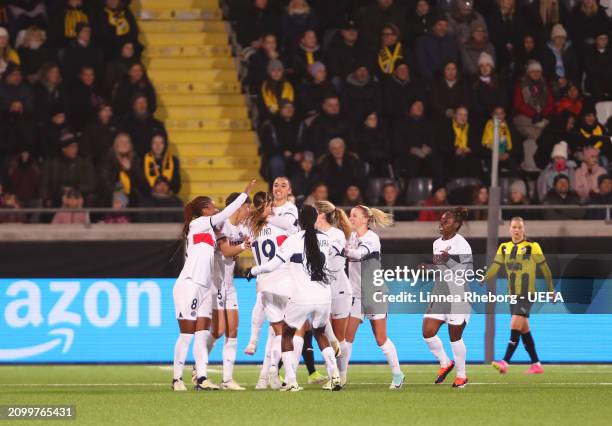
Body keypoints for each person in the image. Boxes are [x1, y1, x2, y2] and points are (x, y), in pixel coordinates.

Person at [171, 180, 256, 391]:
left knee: (201, 334)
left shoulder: (212, 231)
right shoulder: (198, 223)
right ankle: (176, 379)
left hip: (205, 287)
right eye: (211, 206)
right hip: (189, 283)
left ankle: (201, 378)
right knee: (187, 334)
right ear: (203, 210)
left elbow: (225, 238)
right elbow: (225, 214)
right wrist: (243, 196)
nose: (215, 209)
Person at [249, 205, 342, 392]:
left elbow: (273, 265)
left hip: (301, 296)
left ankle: (291, 381)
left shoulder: (293, 240)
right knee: (320, 333)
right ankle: (335, 377)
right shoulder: (326, 239)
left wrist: (252, 271)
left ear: (299, 220)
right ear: (316, 219)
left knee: (286, 334)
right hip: (324, 296)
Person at [482, 217, 554, 375]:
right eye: (514, 227)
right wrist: (484, 278)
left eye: (519, 227)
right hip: (512, 295)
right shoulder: (504, 248)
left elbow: (546, 270)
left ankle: (505, 362)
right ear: (509, 229)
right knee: (524, 329)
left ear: (523, 229)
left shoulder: (532, 247)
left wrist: (551, 290)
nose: (516, 230)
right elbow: (495, 266)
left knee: (515, 324)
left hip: (527, 293)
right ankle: (536, 364)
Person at [343, 204, 404, 389]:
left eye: (354, 215)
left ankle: (398, 374)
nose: (350, 218)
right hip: (356, 295)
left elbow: (359, 254)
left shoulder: (372, 239)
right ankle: (341, 377)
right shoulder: (351, 236)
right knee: (347, 338)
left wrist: (340, 249)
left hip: (374, 294)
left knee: (380, 339)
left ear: (365, 219)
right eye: (350, 215)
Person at [205, 192, 252, 390]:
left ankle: (227, 379)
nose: (248, 211)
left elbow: (233, 253)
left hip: (229, 285)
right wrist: (242, 246)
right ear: (238, 207)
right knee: (218, 330)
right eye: (246, 207)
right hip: (215, 284)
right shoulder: (221, 225)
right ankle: (199, 368)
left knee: (233, 330)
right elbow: (225, 251)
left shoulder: (240, 229)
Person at [421, 207, 472, 388]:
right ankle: (445, 362)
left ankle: (461, 376)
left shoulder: (462, 244)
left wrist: (448, 260)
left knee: (455, 337)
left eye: (446, 221)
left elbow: (465, 272)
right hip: (440, 293)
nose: (441, 224)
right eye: (441, 220)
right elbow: (439, 267)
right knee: (427, 332)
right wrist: (428, 267)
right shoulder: (436, 243)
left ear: (457, 224)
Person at [313, 200, 352, 388]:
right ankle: (333, 374)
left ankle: (341, 375)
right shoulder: (311, 235)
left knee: (339, 336)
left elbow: (333, 253)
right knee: (322, 330)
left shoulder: (336, 234)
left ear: (320, 215)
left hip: (339, 287)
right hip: (321, 286)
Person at [512, 60, 555, 171]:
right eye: (533, 72)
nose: (536, 74)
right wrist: (533, 114)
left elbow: (550, 103)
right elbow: (518, 104)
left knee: (543, 132)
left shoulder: (545, 86)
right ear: (528, 73)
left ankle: (539, 163)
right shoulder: (521, 85)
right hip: (523, 117)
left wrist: (542, 114)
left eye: (538, 72)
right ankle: (529, 163)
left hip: (541, 117)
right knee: (535, 133)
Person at [40, 132, 96, 207]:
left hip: (80, 199)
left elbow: (91, 184)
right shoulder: (52, 163)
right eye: (71, 147)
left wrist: (75, 188)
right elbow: (45, 183)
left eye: (76, 146)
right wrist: (47, 198)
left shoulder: (84, 162)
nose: (75, 149)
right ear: (64, 149)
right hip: (57, 199)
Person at [392, 99, 438, 183]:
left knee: (436, 162)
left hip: (426, 156)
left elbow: (434, 142)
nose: (419, 108)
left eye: (421, 105)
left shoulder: (429, 124)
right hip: (407, 157)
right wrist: (411, 149)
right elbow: (396, 144)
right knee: (413, 163)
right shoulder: (401, 123)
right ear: (410, 107)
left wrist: (429, 149)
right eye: (416, 105)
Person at [97, 132, 147, 207]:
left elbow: (141, 183)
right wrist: (117, 192)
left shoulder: (135, 159)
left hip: (132, 196)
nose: (124, 144)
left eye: (127, 142)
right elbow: (105, 181)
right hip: (112, 195)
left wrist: (130, 170)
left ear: (130, 146)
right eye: (121, 142)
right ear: (115, 145)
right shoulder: (108, 158)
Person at [438, 106, 481, 180]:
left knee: (475, 163)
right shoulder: (446, 127)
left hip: (469, 157)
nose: (463, 117)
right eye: (460, 114)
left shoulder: (473, 128)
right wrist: (455, 150)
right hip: (451, 157)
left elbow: (478, 146)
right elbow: (441, 146)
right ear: (454, 115)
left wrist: (470, 149)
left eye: (465, 115)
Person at [317, 138, 364, 204]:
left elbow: (359, 178)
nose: (337, 150)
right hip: (332, 195)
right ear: (330, 150)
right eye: (334, 148)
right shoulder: (325, 162)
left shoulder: (353, 160)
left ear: (344, 148)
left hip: (350, 194)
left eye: (340, 147)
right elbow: (324, 180)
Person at [415, 15, 459, 82]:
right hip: (430, 80)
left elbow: (454, 61)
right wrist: (434, 79)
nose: (443, 28)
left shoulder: (451, 41)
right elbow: (422, 64)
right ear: (433, 27)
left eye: (445, 25)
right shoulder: (423, 41)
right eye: (440, 25)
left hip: (448, 80)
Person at [541, 24, 578, 98]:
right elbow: (546, 70)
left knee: (574, 89)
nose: (561, 39)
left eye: (563, 37)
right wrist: (558, 79)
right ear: (553, 38)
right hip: (553, 78)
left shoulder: (570, 50)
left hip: (568, 78)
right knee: (556, 88)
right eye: (558, 37)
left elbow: (574, 68)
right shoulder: (547, 51)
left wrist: (567, 78)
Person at [481, 106, 519, 176]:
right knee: (493, 167)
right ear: (492, 115)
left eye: (501, 113)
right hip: (491, 155)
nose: (499, 116)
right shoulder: (488, 126)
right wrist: (496, 154)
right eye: (496, 114)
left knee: (514, 165)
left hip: (506, 153)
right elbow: (485, 146)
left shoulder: (509, 126)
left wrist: (507, 153)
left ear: (504, 115)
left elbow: (515, 144)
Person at [66, 65, 103, 131]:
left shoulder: (95, 88)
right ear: (81, 76)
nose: (89, 77)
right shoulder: (77, 91)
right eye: (86, 75)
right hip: (82, 126)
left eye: (91, 74)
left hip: (95, 122)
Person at [584, 30, 612, 101]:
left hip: (608, 80)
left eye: (605, 38)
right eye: (601, 38)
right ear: (596, 40)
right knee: (596, 87)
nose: (603, 41)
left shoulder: (610, 52)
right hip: (594, 81)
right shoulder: (589, 53)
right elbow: (590, 70)